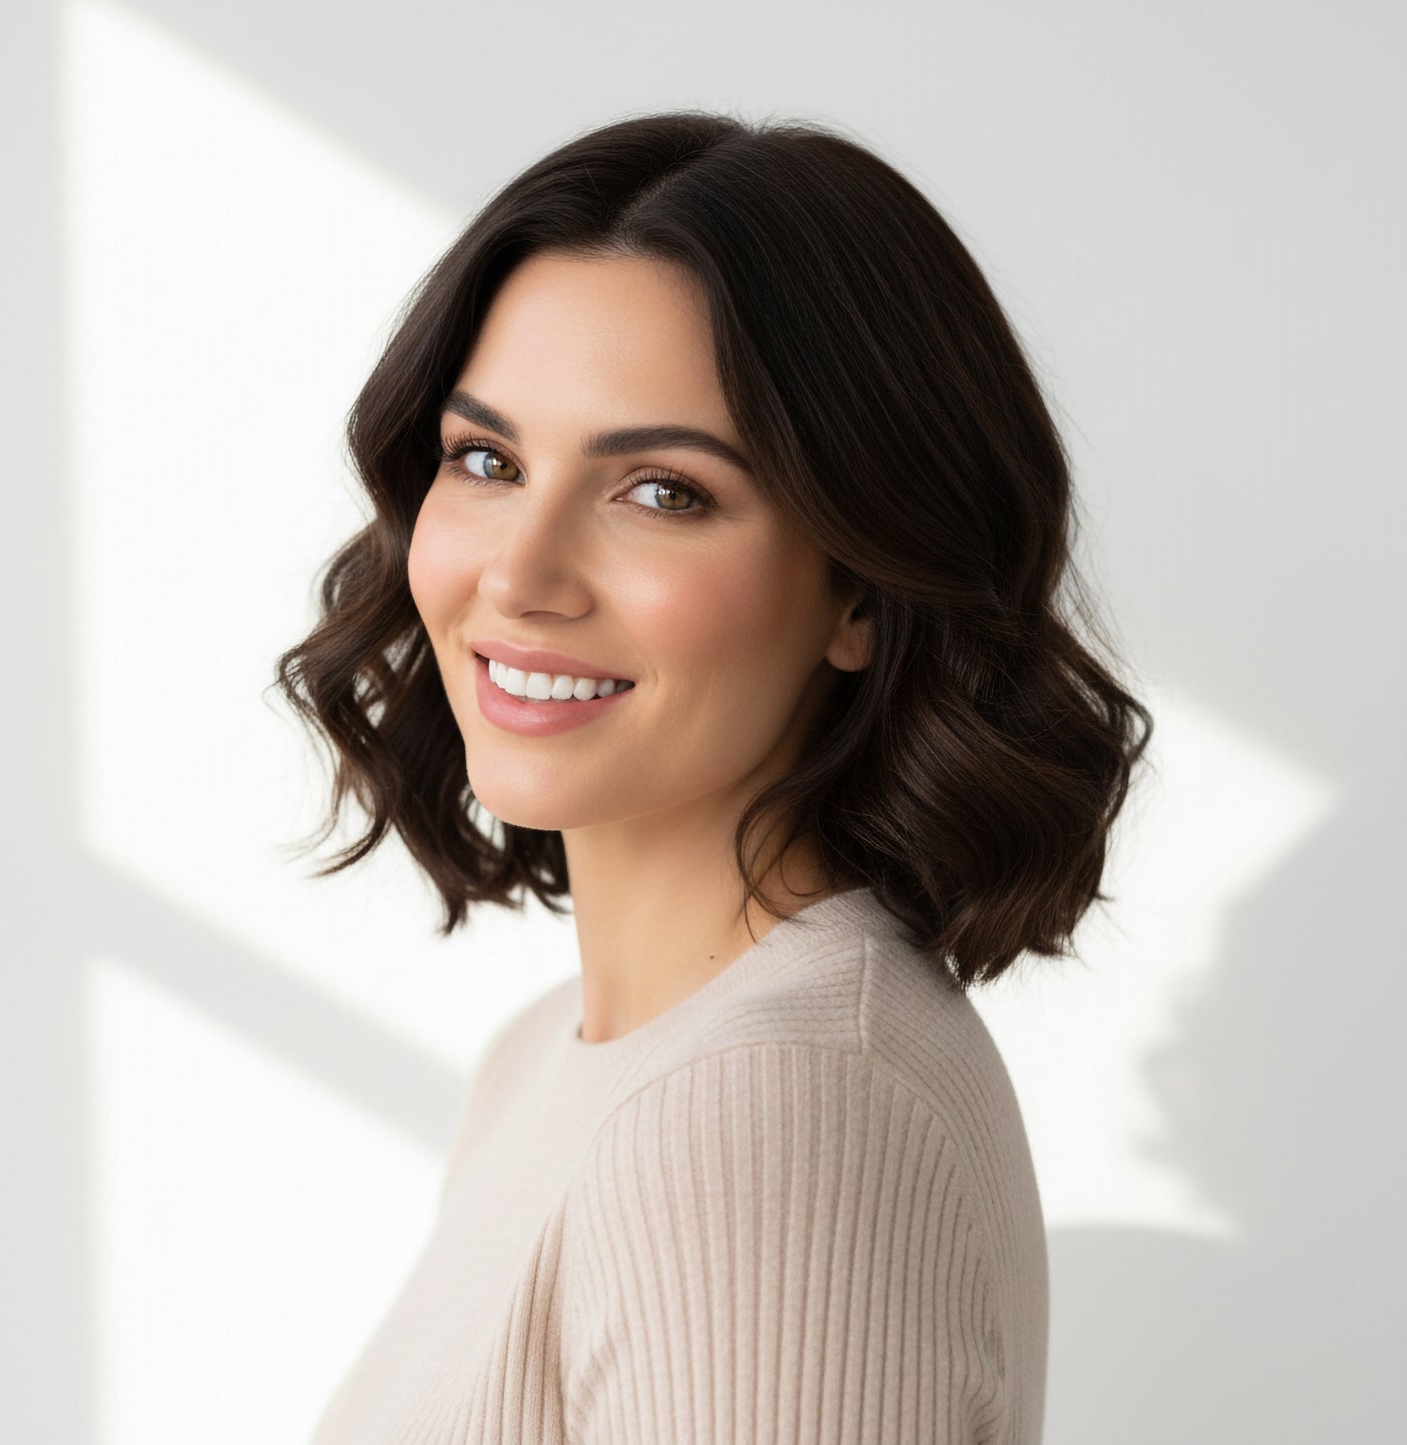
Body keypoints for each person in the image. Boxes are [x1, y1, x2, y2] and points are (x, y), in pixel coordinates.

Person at [277, 109, 1152, 1445]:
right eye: (486, 460)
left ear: (858, 585)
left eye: (662, 492)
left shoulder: (766, 1109)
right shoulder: (555, 1065)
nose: (517, 573)